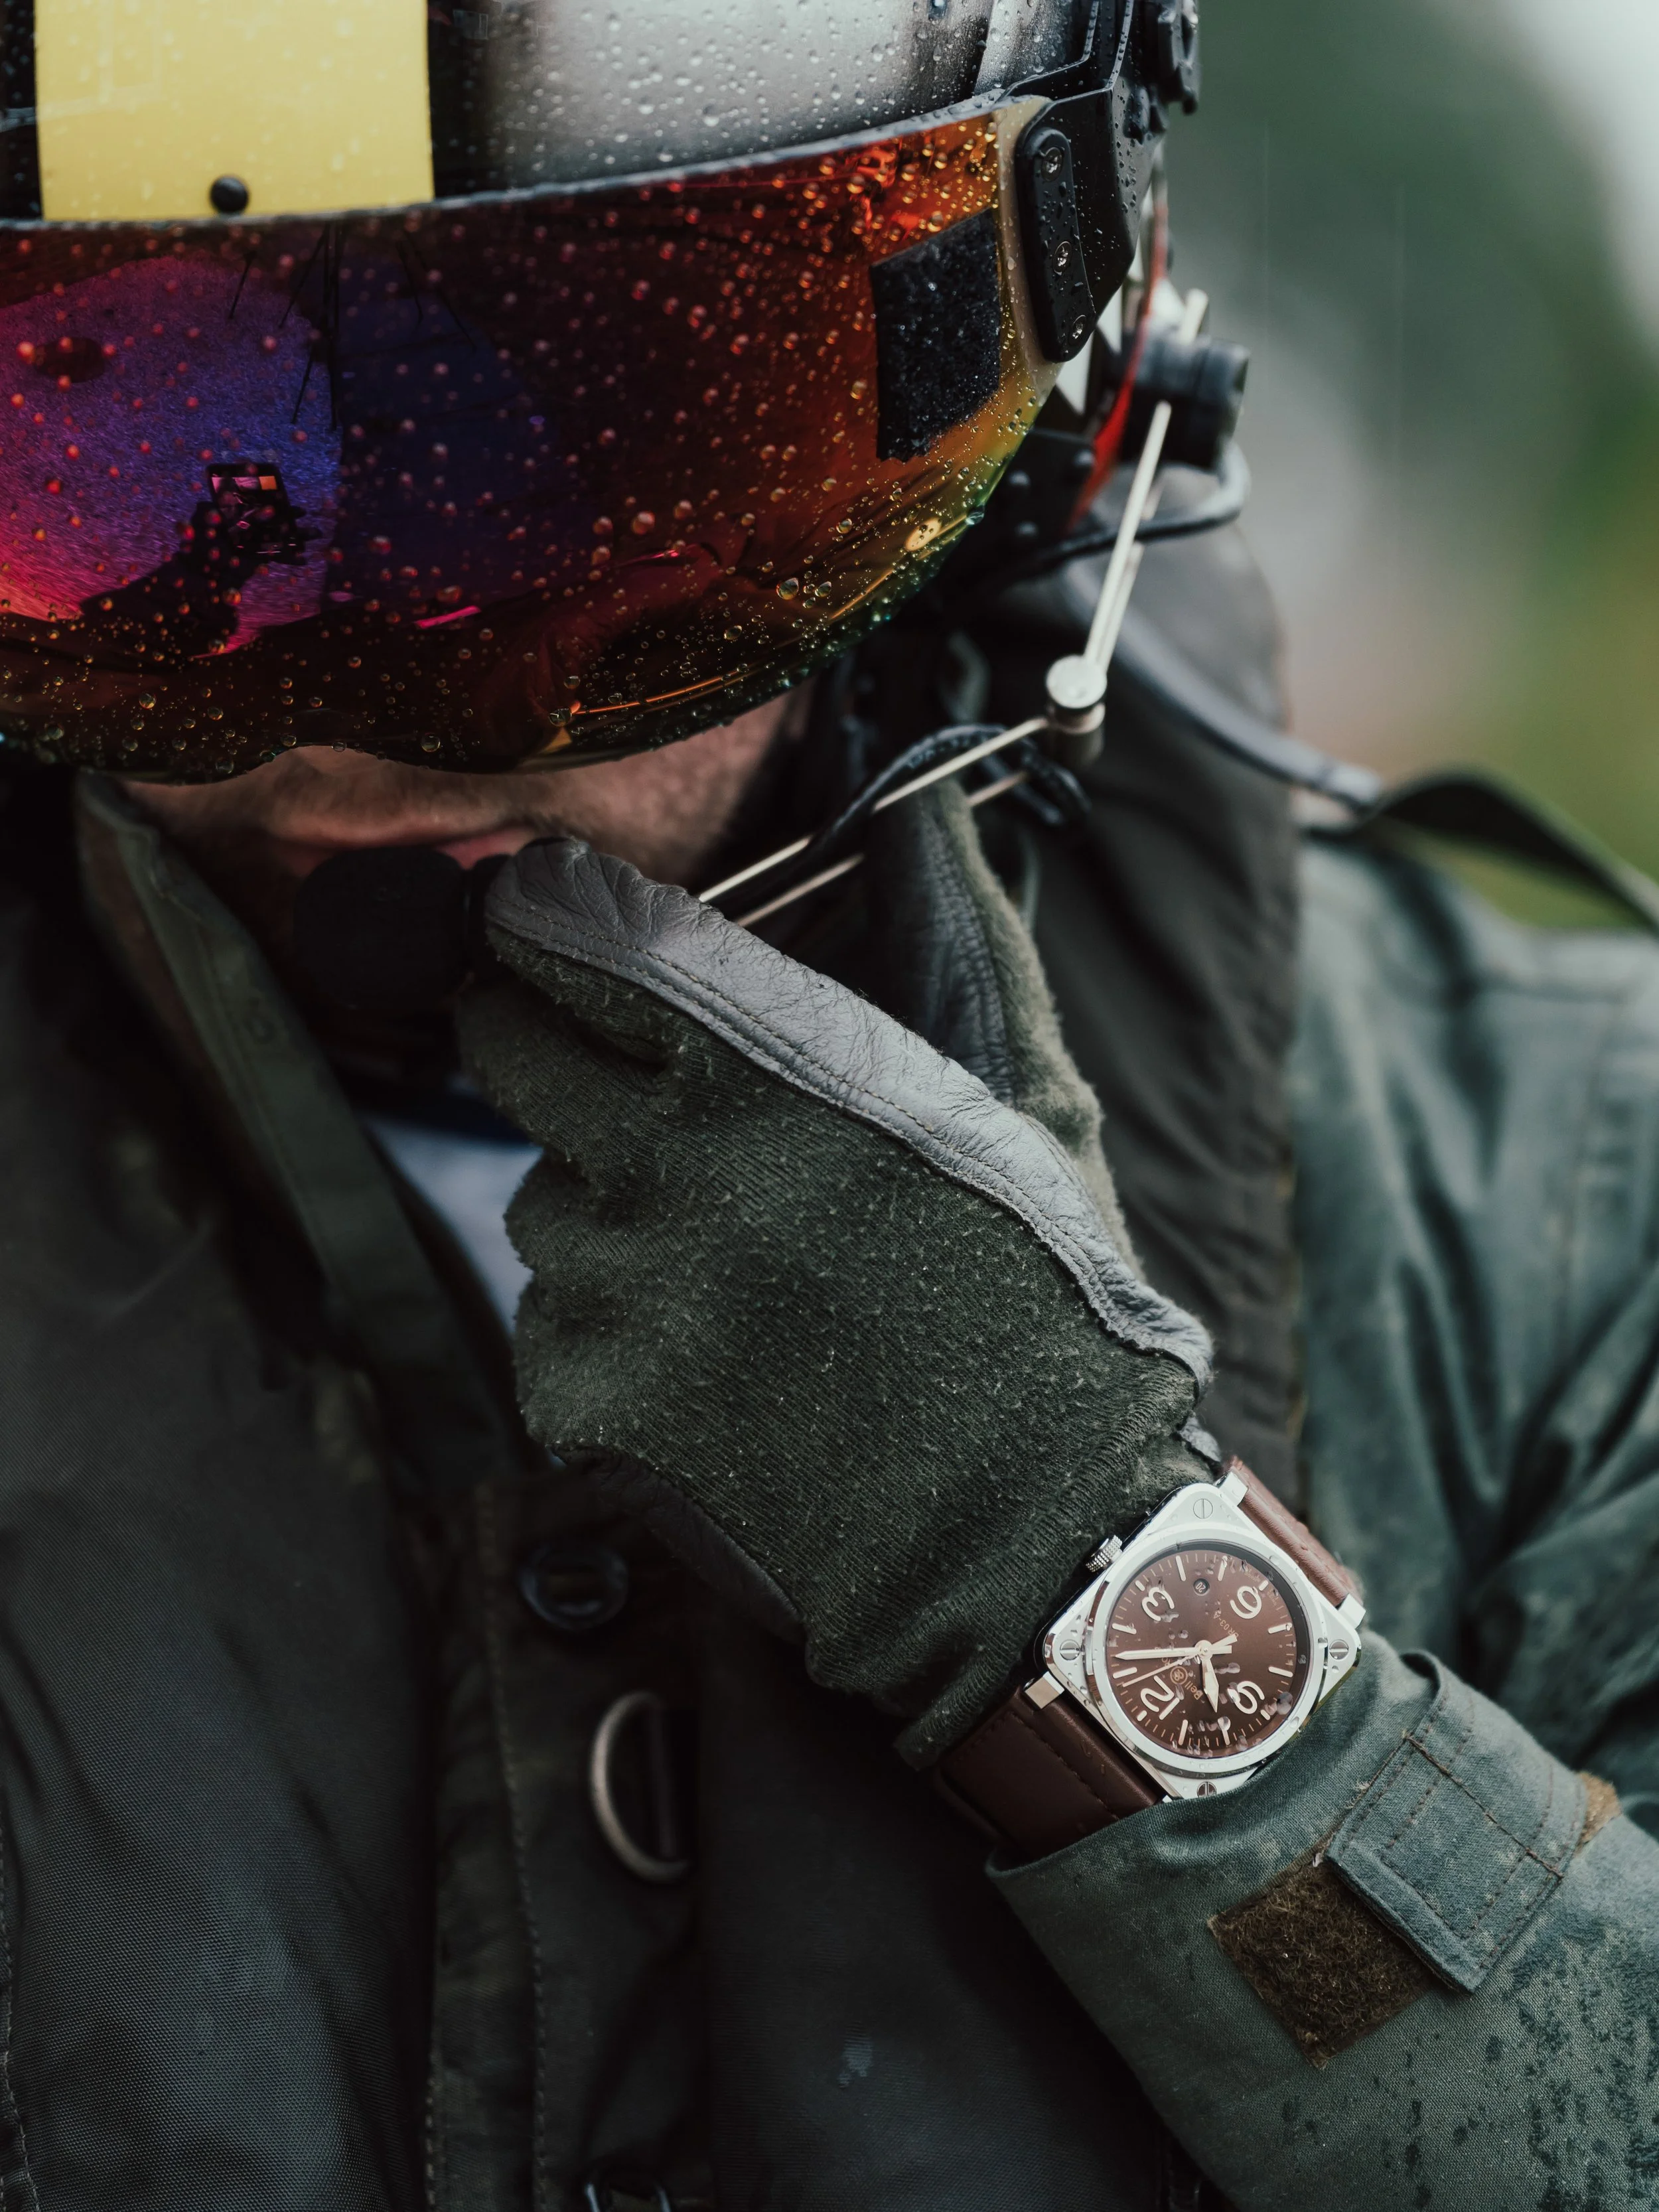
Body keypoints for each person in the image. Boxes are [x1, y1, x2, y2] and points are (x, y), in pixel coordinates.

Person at [0, 4, 1653, 2209]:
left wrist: (1087, 1576)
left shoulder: (1567, 1188)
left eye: (619, 441)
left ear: (1056, 340)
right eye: (111, 472)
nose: (402, 712)